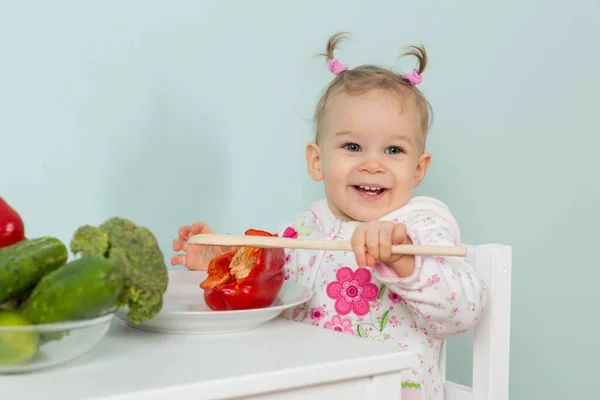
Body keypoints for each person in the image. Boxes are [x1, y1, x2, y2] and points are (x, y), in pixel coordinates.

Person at [171, 32, 486, 400]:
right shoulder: (297, 232)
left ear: (418, 169)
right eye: (352, 146)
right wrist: (227, 265)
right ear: (317, 161)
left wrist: (405, 261)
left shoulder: (421, 225)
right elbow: (265, 301)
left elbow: (465, 311)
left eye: (394, 150)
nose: (372, 164)